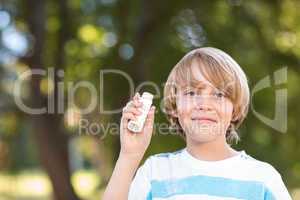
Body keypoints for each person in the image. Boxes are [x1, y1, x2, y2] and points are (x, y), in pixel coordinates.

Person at [102, 47, 292, 200]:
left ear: (235, 109)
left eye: (218, 94)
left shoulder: (263, 179)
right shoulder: (155, 173)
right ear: (175, 106)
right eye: (192, 93)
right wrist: (129, 156)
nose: (204, 104)